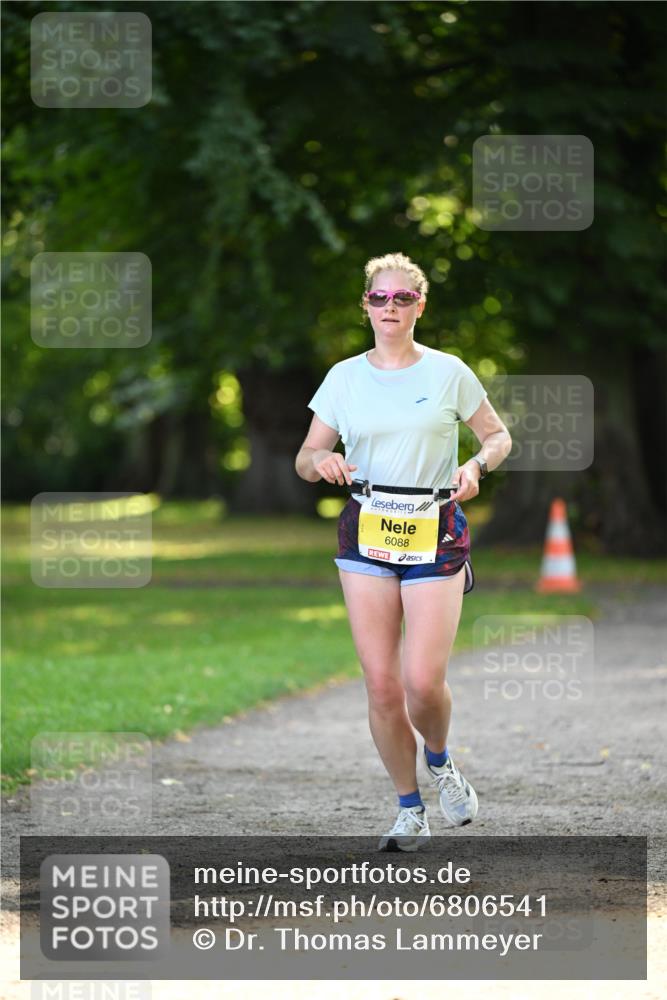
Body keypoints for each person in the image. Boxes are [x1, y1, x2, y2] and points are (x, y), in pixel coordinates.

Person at [295, 252, 512, 851]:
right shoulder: (343, 377)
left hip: (434, 527)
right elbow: (305, 458)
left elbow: (498, 435)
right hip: (366, 529)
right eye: (378, 297)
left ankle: (440, 762)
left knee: (421, 681)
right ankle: (408, 808)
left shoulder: (448, 372)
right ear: (365, 304)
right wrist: (323, 461)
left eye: (402, 298)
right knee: (383, 686)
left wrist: (475, 463)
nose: (389, 307)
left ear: (420, 306)